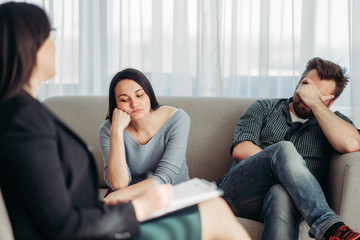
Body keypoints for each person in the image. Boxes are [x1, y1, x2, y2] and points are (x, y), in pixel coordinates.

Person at [0, 2, 251, 240]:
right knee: (215, 212)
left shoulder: (27, 112)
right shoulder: (24, 121)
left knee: (213, 206)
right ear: (27, 45)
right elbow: (62, 225)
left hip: (104, 219)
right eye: (48, 36)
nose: (54, 46)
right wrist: (138, 208)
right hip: (95, 231)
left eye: (139, 95)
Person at [218, 57, 360, 240]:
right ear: (299, 82)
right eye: (305, 86)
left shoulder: (335, 123)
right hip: (239, 194)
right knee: (284, 149)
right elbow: (241, 149)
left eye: (316, 95)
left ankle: (329, 227)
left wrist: (316, 104)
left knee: (282, 192)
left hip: (289, 201)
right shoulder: (264, 108)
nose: (306, 96)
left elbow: (353, 144)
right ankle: (328, 226)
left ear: (331, 102)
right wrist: (281, 165)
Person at [98, 68, 190, 200]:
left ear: (149, 94)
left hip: (174, 193)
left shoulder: (177, 119)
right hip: (132, 197)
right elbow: (119, 184)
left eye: (139, 95)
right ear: (116, 104)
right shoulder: (108, 130)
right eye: (124, 100)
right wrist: (116, 132)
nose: (134, 104)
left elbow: (166, 177)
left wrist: (118, 195)